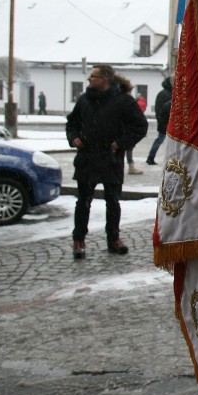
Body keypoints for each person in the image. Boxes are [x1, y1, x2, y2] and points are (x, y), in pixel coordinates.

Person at [65, 64, 147, 259]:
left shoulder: (123, 101)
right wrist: (73, 137)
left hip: (111, 159)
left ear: (105, 80)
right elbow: (72, 123)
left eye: (93, 77)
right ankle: (79, 240)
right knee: (83, 202)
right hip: (87, 158)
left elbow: (140, 126)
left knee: (113, 202)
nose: (89, 80)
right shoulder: (85, 100)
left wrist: (120, 143)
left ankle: (113, 239)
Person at [146, 76, 173, 165]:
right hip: (165, 123)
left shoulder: (167, 93)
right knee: (160, 140)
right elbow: (161, 110)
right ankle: (151, 157)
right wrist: (162, 122)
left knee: (162, 141)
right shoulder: (164, 94)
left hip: (167, 123)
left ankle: (152, 157)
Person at [125, 90, 146, 175]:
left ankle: (131, 166)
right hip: (126, 130)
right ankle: (131, 167)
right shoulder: (127, 102)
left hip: (126, 129)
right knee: (128, 148)